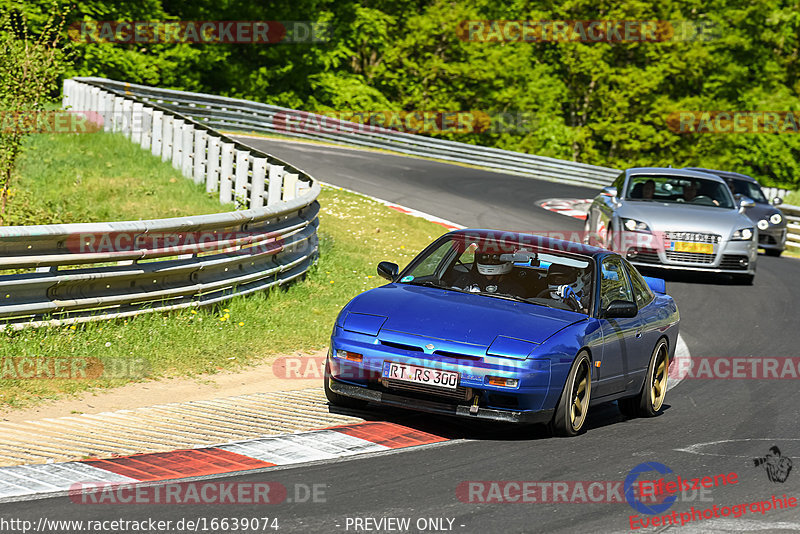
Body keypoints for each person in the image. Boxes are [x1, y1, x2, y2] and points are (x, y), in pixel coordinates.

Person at [454, 252, 527, 296]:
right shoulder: (467, 279)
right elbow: (451, 297)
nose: (490, 262)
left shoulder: (515, 289)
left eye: (495, 258)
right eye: (485, 257)